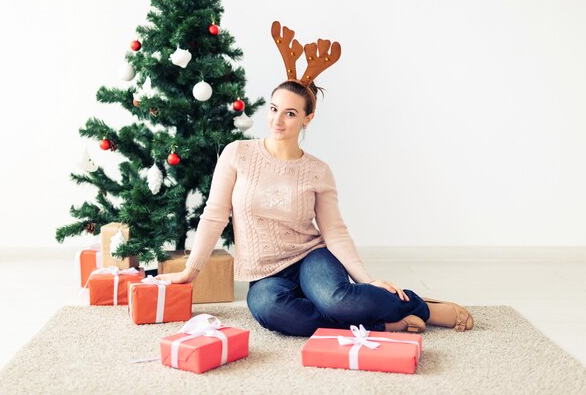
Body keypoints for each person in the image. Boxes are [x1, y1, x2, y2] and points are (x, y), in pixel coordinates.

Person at [157, 21, 473, 336]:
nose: (277, 120)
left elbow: (334, 231)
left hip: (311, 257)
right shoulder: (237, 154)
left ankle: (423, 307)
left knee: (337, 302)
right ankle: (381, 324)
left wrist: (364, 280)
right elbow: (214, 214)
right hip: (266, 274)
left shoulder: (318, 171)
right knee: (271, 311)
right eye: (273, 108)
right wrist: (190, 271)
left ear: (308, 118)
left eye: (290, 113)